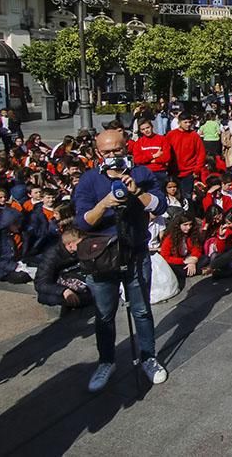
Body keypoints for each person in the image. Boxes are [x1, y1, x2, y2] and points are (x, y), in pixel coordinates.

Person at [73, 130, 168, 393]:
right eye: (107, 152)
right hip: (102, 257)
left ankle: (149, 357)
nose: (113, 156)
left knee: (140, 309)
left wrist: (136, 192)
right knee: (104, 314)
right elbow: (82, 221)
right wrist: (104, 203)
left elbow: (160, 205)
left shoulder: (141, 173)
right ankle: (106, 361)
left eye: (117, 150)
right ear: (97, 153)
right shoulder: (90, 180)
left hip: (135, 252)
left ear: (126, 148)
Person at [35, 228, 93, 309]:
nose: (84, 245)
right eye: (81, 243)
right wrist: (63, 291)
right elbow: (41, 283)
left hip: (77, 277)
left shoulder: (80, 250)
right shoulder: (52, 256)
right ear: (70, 244)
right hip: (59, 285)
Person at [166, 114, 205, 199]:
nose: (188, 124)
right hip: (173, 171)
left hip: (189, 171)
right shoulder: (171, 135)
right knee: (173, 196)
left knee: (187, 196)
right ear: (179, 122)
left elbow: (201, 153)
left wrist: (197, 170)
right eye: (185, 122)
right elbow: (165, 151)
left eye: (189, 122)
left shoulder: (194, 135)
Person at [131, 120, 172, 186]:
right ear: (141, 131)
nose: (146, 130)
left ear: (152, 127)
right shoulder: (139, 143)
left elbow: (167, 157)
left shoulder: (162, 139)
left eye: (147, 127)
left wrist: (152, 160)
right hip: (145, 172)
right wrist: (153, 156)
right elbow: (137, 159)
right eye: (143, 129)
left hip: (160, 172)